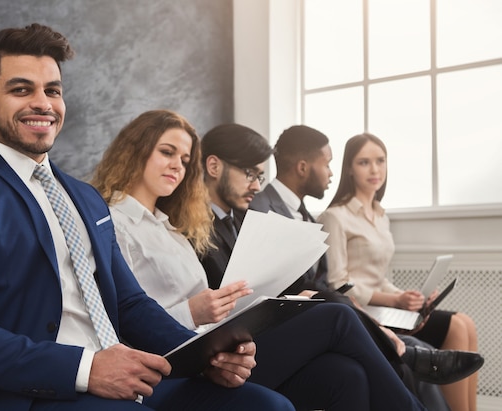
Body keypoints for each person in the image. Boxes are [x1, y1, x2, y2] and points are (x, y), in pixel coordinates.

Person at [0, 24, 298, 411]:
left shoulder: (85, 197)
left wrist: (208, 355)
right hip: (30, 393)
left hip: (127, 381)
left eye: (52, 90)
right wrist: (87, 369)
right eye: (21, 89)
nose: (42, 103)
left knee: (269, 404)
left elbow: (130, 305)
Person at [91, 110, 426, 410]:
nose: (178, 165)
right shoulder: (112, 223)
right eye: (167, 152)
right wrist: (194, 311)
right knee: (337, 316)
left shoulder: (174, 227)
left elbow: (211, 306)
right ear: (136, 151)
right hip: (180, 359)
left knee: (346, 374)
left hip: (218, 345)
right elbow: (120, 320)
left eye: (184, 158)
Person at [205, 124, 482, 410]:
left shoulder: (281, 215)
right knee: (343, 316)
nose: (256, 185)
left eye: (259, 175)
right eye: (250, 174)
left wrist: (401, 299)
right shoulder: (257, 210)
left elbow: (316, 281)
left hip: (298, 311)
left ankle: (403, 354)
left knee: (354, 366)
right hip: (271, 325)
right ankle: (402, 355)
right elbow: (321, 281)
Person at [317, 132, 482, 411]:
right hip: (365, 312)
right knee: (455, 326)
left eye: (380, 161)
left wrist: (408, 295)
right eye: (364, 162)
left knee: (465, 323)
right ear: (349, 169)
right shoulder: (335, 216)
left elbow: (379, 276)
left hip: (387, 306)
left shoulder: (381, 215)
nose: (375, 169)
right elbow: (338, 282)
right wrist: (394, 301)